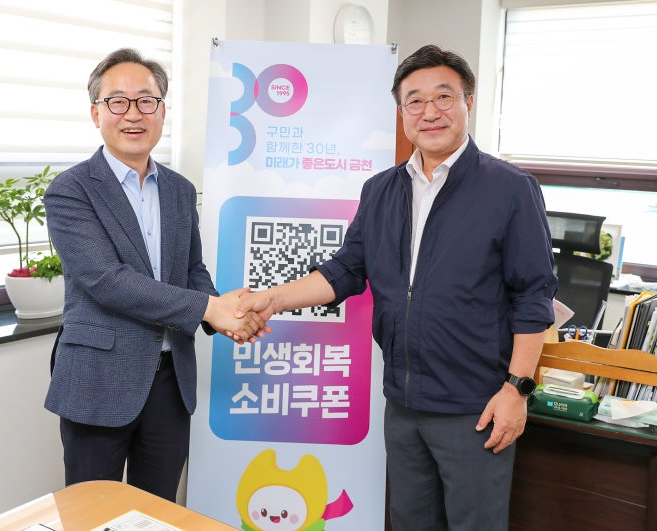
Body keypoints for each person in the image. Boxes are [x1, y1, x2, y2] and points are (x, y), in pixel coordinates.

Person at [236, 44, 557, 530]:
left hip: (476, 406)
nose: (430, 112)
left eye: (444, 97)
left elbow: (533, 296)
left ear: (469, 102)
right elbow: (345, 271)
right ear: (401, 112)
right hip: (403, 404)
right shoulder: (381, 190)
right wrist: (270, 300)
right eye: (415, 101)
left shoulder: (510, 188)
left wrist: (517, 389)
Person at [43, 48, 266, 502]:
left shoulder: (180, 190)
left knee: (158, 511)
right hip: (99, 379)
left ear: (162, 111)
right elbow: (107, 281)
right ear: (96, 113)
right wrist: (211, 309)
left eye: (146, 101)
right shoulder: (71, 190)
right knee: (93, 513)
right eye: (117, 101)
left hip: (170, 381)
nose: (133, 114)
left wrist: (229, 316)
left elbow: (192, 270)